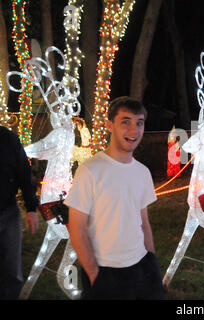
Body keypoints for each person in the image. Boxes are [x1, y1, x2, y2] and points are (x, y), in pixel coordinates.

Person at [64, 96, 164, 300]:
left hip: (142, 265)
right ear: (110, 125)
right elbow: (76, 226)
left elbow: (143, 221)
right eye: (125, 122)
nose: (133, 131)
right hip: (106, 271)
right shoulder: (90, 171)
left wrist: (152, 262)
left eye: (139, 123)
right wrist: (94, 274)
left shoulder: (142, 172)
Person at [0, 125, 39, 299]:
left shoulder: (8, 138)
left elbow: (24, 172)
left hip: (8, 212)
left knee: (11, 270)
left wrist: (31, 208)